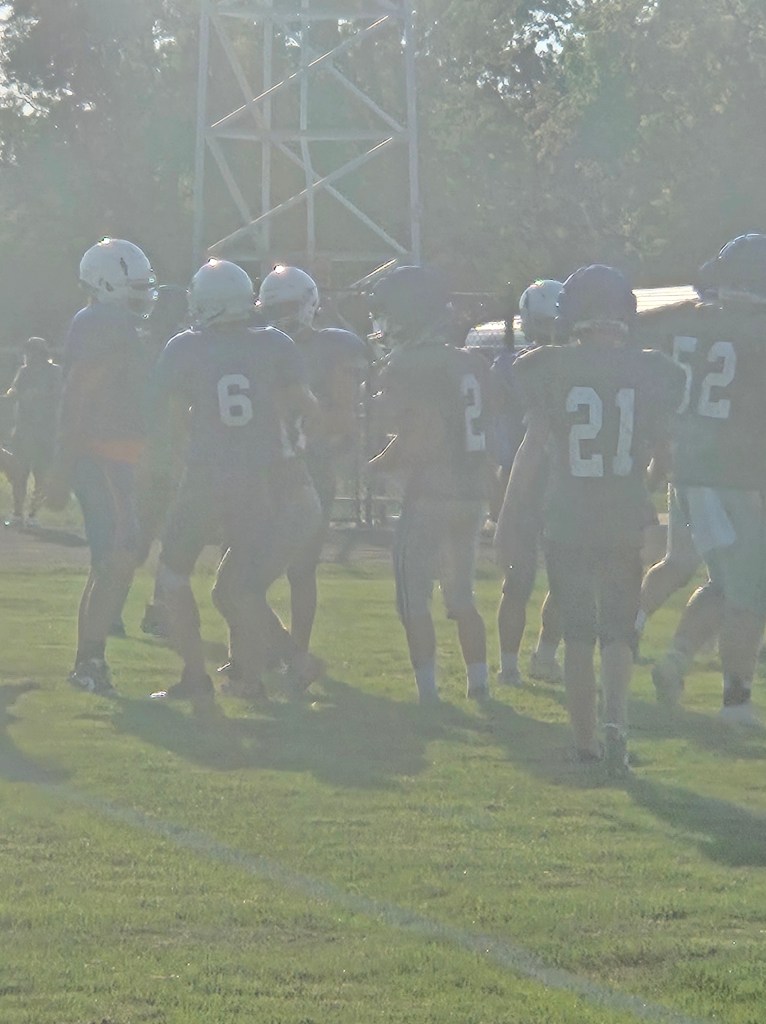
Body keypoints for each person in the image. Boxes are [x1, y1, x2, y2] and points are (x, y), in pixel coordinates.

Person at [495, 265, 684, 773]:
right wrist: (636, 478)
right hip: (623, 515)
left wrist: (510, 514)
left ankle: (585, 744)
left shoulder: (547, 367)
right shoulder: (651, 371)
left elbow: (533, 448)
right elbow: (663, 460)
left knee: (578, 633)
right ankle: (616, 726)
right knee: (619, 631)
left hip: (569, 515)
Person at [146, 259, 319, 704]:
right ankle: (250, 680)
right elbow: (301, 405)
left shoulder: (184, 347)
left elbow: (171, 419)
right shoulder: (275, 343)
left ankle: (194, 677)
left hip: (208, 475)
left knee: (173, 576)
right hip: (261, 479)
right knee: (242, 585)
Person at [647, 234, 766, 724]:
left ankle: (675, 659)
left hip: (689, 470)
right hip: (737, 477)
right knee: (751, 593)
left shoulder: (684, 320)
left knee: (723, 581)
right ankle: (735, 703)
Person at [369, 265, 490, 705]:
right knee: (461, 598)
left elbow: (422, 435)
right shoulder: (471, 361)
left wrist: (383, 464)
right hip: (472, 494)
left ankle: (428, 695)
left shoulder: (409, 365)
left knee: (413, 601)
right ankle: (480, 685)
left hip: (432, 495)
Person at [45, 238, 157, 695]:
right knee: (117, 559)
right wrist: (60, 466)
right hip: (104, 456)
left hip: (123, 457)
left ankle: (90, 661)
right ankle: (88, 664)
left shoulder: (118, 323)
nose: (143, 291)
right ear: (107, 281)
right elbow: (77, 398)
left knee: (117, 561)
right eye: (134, 283)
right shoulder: (100, 323)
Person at [253, 264, 370, 687]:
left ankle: (295, 652)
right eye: (273, 307)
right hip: (264, 468)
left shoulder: (329, 350)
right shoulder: (260, 345)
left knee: (300, 570)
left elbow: (344, 419)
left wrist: (304, 430)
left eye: (286, 306)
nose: (279, 315)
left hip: (308, 469)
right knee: (249, 566)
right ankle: (267, 649)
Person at [490, 280, 563, 688]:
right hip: (521, 475)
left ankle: (544, 656)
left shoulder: (569, 364)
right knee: (518, 579)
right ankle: (510, 665)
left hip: (556, 479)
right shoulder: (509, 365)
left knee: (565, 578)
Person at [2, 337, 62, 529]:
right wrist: (10, 394)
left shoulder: (55, 372)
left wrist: (36, 394)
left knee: (41, 473)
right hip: (24, 428)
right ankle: (18, 513)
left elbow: (57, 394)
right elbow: (15, 390)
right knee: (20, 473)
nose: (28, 356)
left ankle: (33, 514)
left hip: (45, 429)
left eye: (31, 352)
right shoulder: (24, 372)